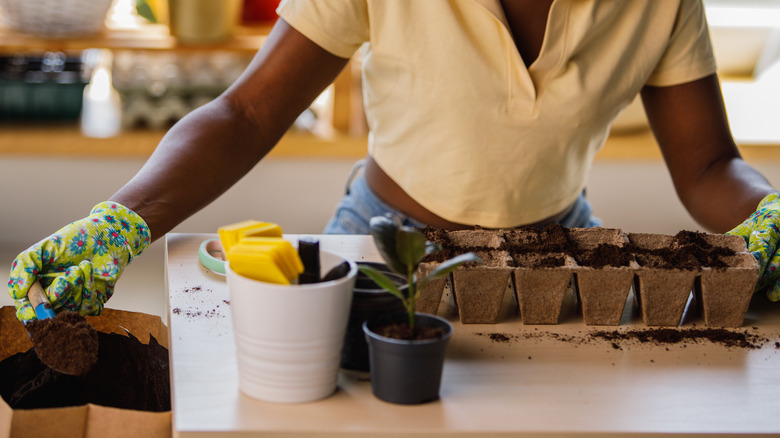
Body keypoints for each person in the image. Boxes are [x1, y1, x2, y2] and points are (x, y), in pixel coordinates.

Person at [7, 0, 779, 321]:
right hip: (380, 246)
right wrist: (120, 222)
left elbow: (709, 165)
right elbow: (246, 112)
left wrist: (770, 212)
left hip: (557, 255)